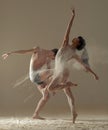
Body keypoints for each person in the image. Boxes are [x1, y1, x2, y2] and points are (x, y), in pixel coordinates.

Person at [46, 9, 99, 123]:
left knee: (50, 89)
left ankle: (67, 85)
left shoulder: (65, 44)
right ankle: (74, 113)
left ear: (77, 43)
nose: (74, 38)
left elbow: (68, 29)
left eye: (77, 39)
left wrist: (72, 16)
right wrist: (94, 74)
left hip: (61, 71)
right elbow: (84, 65)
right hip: (62, 71)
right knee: (68, 94)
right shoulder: (74, 54)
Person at [2, 47, 59, 119]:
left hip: (40, 78)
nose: (52, 60)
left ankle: (36, 114)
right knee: (57, 70)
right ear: (54, 54)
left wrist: (48, 84)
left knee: (46, 96)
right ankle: (51, 87)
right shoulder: (38, 50)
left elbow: (48, 73)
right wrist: (11, 53)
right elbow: (24, 51)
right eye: (54, 58)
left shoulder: (48, 59)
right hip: (34, 75)